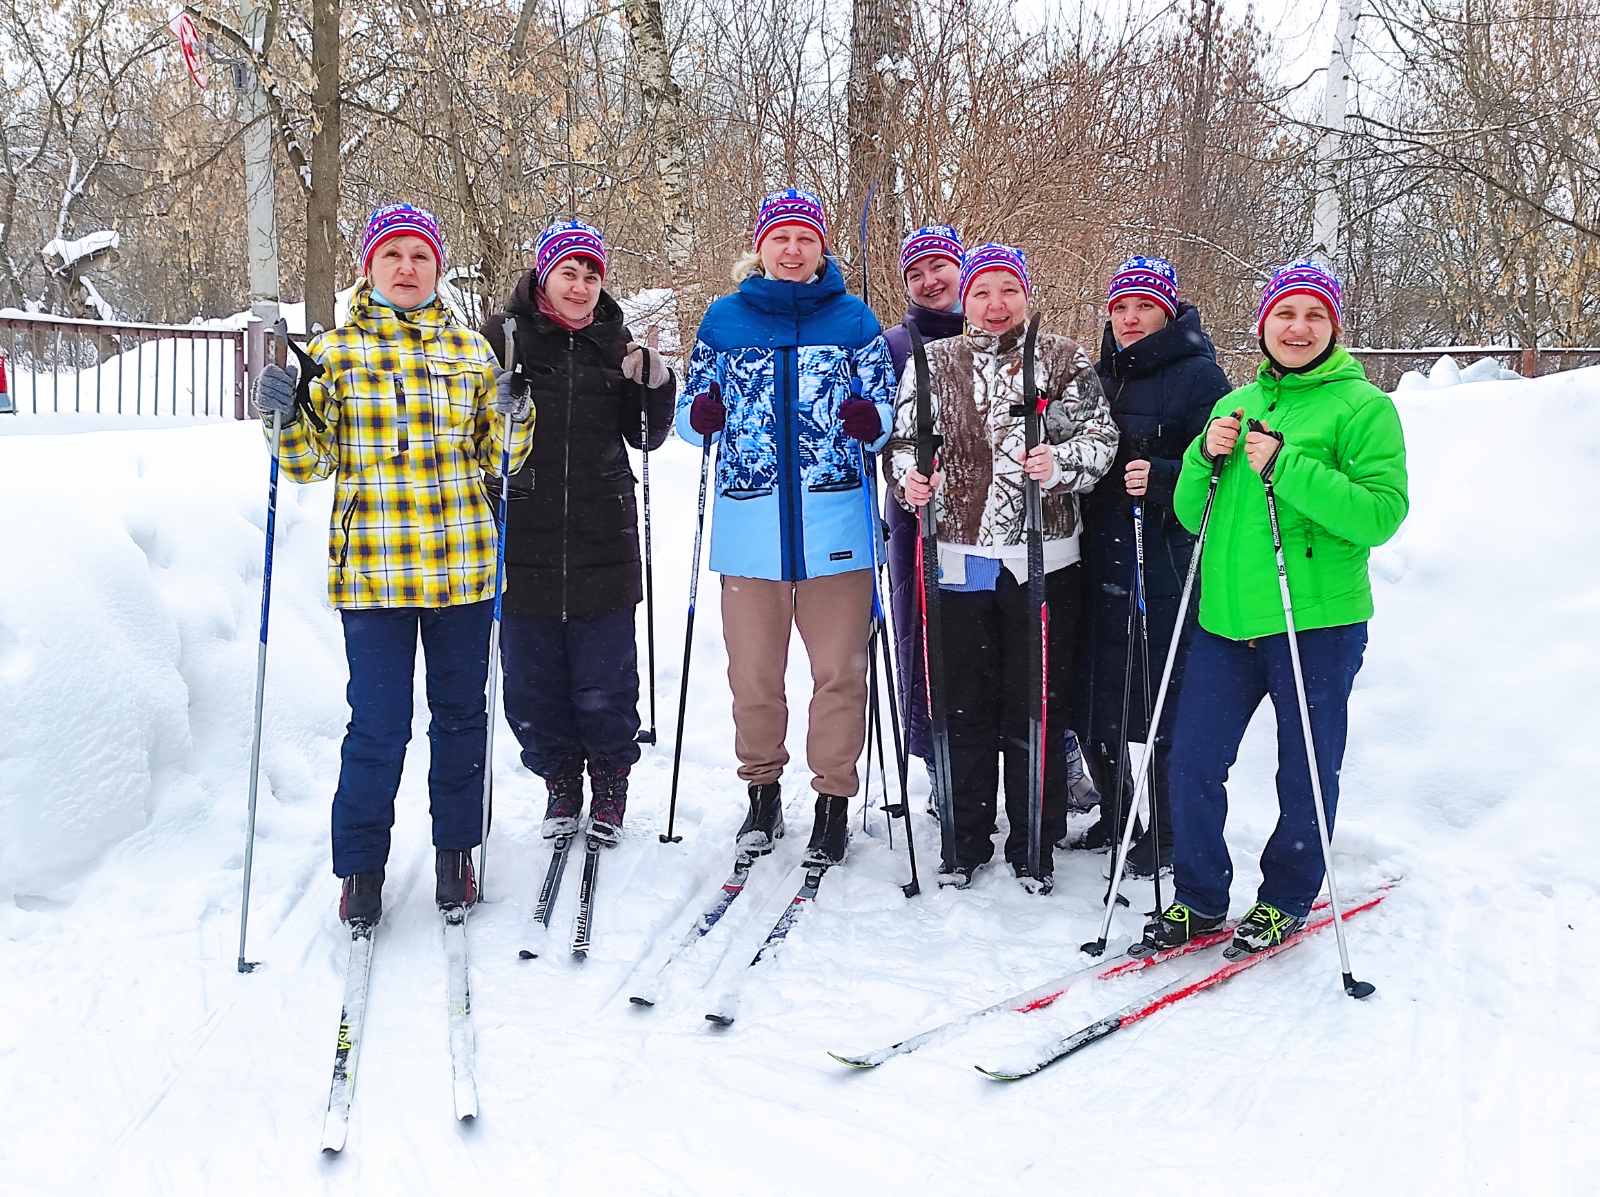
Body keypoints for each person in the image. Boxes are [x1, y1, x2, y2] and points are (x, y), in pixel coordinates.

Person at [253, 203, 534, 925]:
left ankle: (454, 852)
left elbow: (500, 457)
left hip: (464, 571)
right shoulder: (338, 354)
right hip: (374, 574)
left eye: (420, 256)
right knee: (378, 724)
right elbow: (312, 462)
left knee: (461, 717)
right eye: (393, 256)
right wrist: (282, 416)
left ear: (437, 268)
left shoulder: (472, 351)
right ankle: (361, 867)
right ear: (368, 268)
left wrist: (515, 411)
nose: (407, 269)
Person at [1143, 259, 1408, 955]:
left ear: (1333, 326)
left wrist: (1286, 466)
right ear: (1263, 325)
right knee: (1191, 761)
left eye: (1314, 315)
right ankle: (1200, 897)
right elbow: (1187, 512)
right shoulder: (1234, 404)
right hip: (1226, 622)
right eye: (1285, 314)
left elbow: (1380, 514)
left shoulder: (1362, 408)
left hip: (1313, 623)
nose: (1298, 327)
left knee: (1305, 769)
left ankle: (1286, 896)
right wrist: (1204, 454)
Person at [887, 243, 1118, 892]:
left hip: (1044, 561)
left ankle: (1034, 841)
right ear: (968, 298)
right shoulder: (934, 362)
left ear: (1026, 292)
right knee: (963, 706)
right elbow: (902, 444)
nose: (995, 305)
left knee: (1035, 704)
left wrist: (1061, 465)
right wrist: (912, 481)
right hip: (960, 559)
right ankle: (964, 841)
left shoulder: (1065, 360)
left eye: (1008, 290)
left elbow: (1100, 443)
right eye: (983, 291)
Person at [676, 187, 895, 868]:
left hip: (837, 526)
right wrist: (701, 416)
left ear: (821, 246)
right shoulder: (723, 320)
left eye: (805, 237)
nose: (793, 249)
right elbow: (687, 412)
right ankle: (762, 793)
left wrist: (873, 422)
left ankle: (832, 799)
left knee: (839, 672)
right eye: (781, 238)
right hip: (750, 530)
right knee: (754, 676)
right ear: (760, 246)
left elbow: (889, 406)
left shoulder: (855, 318)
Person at [481, 220, 675, 847]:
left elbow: (644, 435)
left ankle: (611, 784)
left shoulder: (614, 345)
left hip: (602, 534)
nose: (581, 285)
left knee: (605, 680)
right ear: (544, 274)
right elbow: (475, 428)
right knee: (532, 682)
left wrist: (657, 385)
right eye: (569, 271)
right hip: (523, 533)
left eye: (592, 275)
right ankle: (560, 780)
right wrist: (496, 403)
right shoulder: (502, 340)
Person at [1070, 256, 1232, 877]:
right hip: (1098, 551)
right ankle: (1116, 808)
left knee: (1162, 694)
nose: (1131, 318)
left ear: (1168, 311)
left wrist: (1163, 478)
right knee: (1096, 692)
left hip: (1163, 556)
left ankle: (1163, 830)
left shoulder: (1199, 377)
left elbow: (1220, 468)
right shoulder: (1097, 372)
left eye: (1143, 306)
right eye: (1120, 307)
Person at [879, 225, 966, 801]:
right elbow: (881, 434)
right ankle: (940, 763)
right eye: (916, 273)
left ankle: (1047, 758)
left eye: (940, 267)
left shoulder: (1001, 323)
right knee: (923, 639)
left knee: (999, 640)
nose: (930, 280)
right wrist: (898, 471)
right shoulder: (894, 345)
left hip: (997, 517)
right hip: (915, 516)